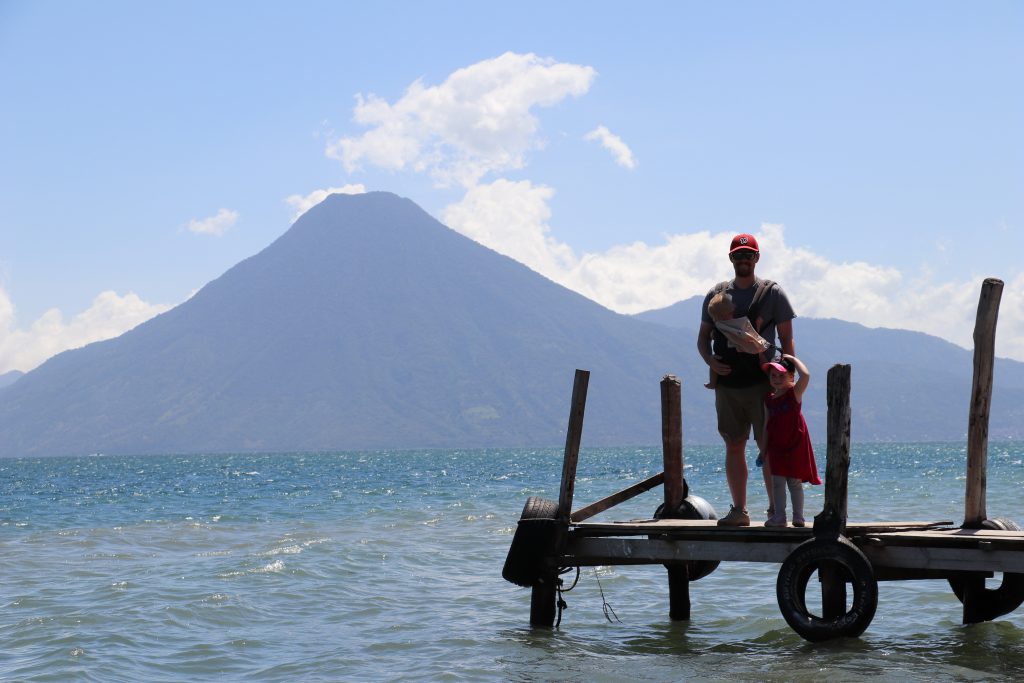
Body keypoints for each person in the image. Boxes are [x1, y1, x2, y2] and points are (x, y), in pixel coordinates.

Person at [697, 233, 795, 527]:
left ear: (757, 258)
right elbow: (703, 338)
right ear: (731, 259)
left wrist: (787, 375)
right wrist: (710, 361)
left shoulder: (772, 293)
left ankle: (775, 512)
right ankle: (739, 511)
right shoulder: (716, 294)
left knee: (768, 447)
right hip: (727, 384)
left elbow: (788, 339)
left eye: (748, 255)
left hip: (765, 383)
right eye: (738, 255)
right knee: (734, 445)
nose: (743, 259)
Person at [761, 355, 821, 527]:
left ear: (791, 377)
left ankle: (798, 517)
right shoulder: (768, 399)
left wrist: (793, 359)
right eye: (774, 375)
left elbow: (806, 375)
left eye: (782, 375)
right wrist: (763, 450)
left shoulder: (794, 393)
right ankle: (779, 517)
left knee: (794, 482)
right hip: (776, 445)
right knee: (777, 482)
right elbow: (766, 425)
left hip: (795, 444)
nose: (777, 379)